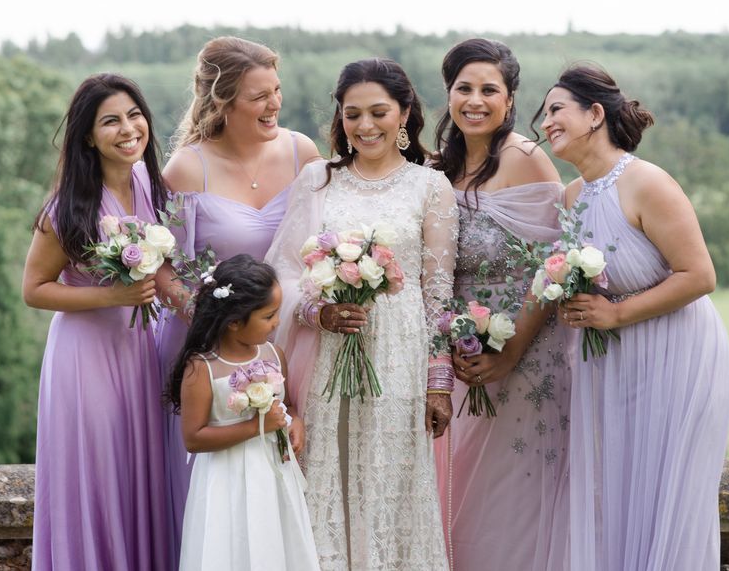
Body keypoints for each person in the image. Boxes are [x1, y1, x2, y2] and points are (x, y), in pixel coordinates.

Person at [534, 64, 729, 571]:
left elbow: (698, 275)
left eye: (556, 109)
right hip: (612, 362)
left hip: (677, 354)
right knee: (616, 489)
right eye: (544, 114)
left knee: (668, 492)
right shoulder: (572, 197)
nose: (547, 122)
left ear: (594, 113)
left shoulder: (647, 182)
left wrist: (616, 313)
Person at [266, 58, 458, 570]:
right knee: (326, 472)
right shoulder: (317, 180)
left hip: (399, 353)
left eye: (378, 112)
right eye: (353, 114)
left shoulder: (430, 186)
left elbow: (439, 292)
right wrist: (319, 310)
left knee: (390, 480)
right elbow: (282, 275)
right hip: (329, 351)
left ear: (404, 113)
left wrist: (438, 382)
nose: (365, 126)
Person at [156, 35, 319, 557]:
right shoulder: (187, 168)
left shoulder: (303, 153)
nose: (274, 104)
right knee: (213, 486)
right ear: (222, 102)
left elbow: (320, 245)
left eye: (276, 90)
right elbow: (164, 266)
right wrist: (214, 325)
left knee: (286, 470)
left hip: (288, 335)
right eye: (258, 96)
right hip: (211, 351)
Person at [431, 38, 570, 570]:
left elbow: (557, 264)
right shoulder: (439, 169)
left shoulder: (526, 159)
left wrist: (509, 353)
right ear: (448, 95)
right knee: (465, 492)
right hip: (466, 362)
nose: (475, 100)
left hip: (528, 359)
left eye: (490, 89)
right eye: (464, 88)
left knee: (514, 497)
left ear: (510, 100)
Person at [23, 74, 171, 570]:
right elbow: (35, 290)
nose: (128, 129)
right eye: (111, 121)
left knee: (140, 473)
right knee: (100, 475)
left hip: (139, 353)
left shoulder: (151, 185)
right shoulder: (67, 206)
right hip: (85, 358)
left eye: (134, 115)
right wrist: (114, 294)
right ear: (88, 136)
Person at [166, 254, 319, 571]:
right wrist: (255, 428)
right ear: (234, 322)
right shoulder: (202, 367)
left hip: (272, 475)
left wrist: (296, 422)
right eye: (268, 316)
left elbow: (287, 405)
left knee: (274, 543)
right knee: (231, 547)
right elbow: (193, 438)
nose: (277, 322)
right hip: (226, 479)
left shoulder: (274, 354)